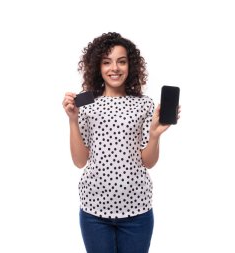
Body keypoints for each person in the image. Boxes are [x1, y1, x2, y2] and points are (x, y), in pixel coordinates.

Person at [62, 32, 181, 253]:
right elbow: (79, 161)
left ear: (131, 65)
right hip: (94, 211)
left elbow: (148, 162)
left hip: (137, 210)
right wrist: (72, 120)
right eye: (106, 62)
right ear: (97, 67)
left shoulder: (144, 105)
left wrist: (155, 135)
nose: (114, 68)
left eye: (121, 61)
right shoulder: (86, 104)